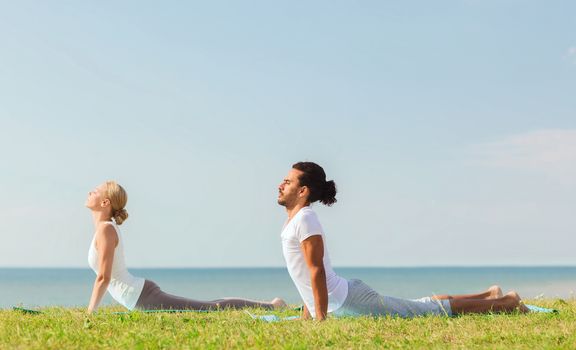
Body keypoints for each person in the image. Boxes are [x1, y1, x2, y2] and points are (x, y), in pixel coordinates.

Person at [277, 161, 529, 320]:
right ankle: (489, 294)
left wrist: (319, 319)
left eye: (287, 182)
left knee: (428, 312)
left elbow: (316, 270)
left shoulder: (305, 219)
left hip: (347, 302)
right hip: (342, 299)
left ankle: (507, 302)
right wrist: (307, 315)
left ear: (303, 191)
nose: (281, 185)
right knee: (419, 306)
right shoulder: (296, 220)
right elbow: (305, 277)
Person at [86, 180, 285, 313]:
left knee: (210, 308)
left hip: (142, 297)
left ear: (105, 202)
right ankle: (270, 305)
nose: (89, 192)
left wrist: (90, 314)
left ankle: (272, 306)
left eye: (94, 191)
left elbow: (104, 277)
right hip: (139, 294)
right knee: (209, 306)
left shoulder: (106, 230)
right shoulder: (104, 229)